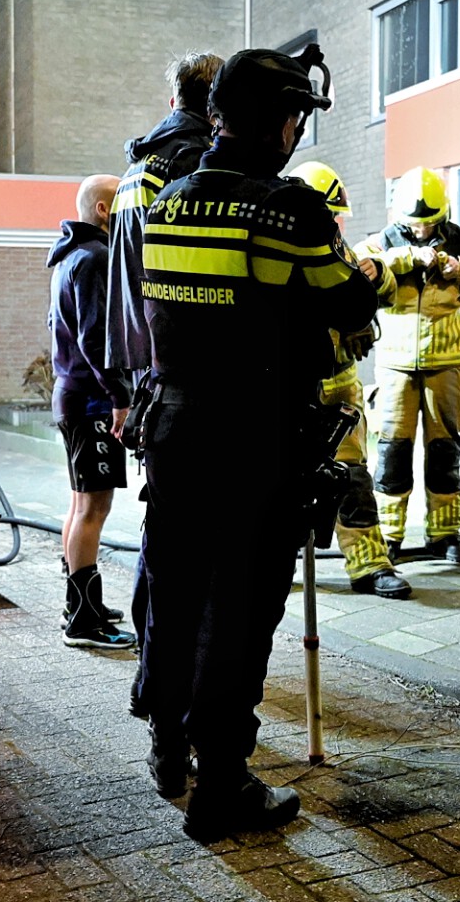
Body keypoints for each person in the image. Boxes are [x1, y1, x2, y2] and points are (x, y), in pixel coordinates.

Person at [139, 45, 382, 840]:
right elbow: (346, 303)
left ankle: (166, 749)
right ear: (282, 121)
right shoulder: (289, 208)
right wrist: (369, 273)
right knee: (238, 611)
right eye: (297, 118)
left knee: (175, 595)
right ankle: (223, 786)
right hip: (254, 437)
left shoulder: (167, 201)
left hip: (173, 428)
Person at [110, 52, 222, 720]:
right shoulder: (192, 166)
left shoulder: (138, 168)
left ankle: (152, 679)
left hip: (151, 375)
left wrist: (125, 386)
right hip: (190, 377)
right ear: (217, 106)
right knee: (191, 551)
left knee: (164, 535)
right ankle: (176, 693)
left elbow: (124, 291)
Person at [358, 167, 460, 564]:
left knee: (444, 451)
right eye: (415, 224)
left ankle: (444, 534)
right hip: (395, 366)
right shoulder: (382, 242)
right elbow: (357, 265)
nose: (423, 230)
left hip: (448, 365)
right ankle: (388, 536)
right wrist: (406, 257)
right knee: (392, 453)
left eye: (430, 223)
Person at [290, 161, 409, 600]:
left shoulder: (342, 252)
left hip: (339, 389)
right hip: (288, 389)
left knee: (352, 478)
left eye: (337, 217)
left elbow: (388, 293)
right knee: (279, 480)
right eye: (331, 215)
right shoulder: (276, 252)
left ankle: (370, 564)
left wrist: (379, 271)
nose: (338, 224)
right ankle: (274, 564)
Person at [47, 175, 138, 651]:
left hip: (73, 395)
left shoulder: (69, 256)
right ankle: (84, 623)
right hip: (92, 401)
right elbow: (96, 338)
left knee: (80, 504)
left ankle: (79, 605)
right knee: (93, 508)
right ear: (104, 210)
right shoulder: (96, 257)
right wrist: (120, 397)